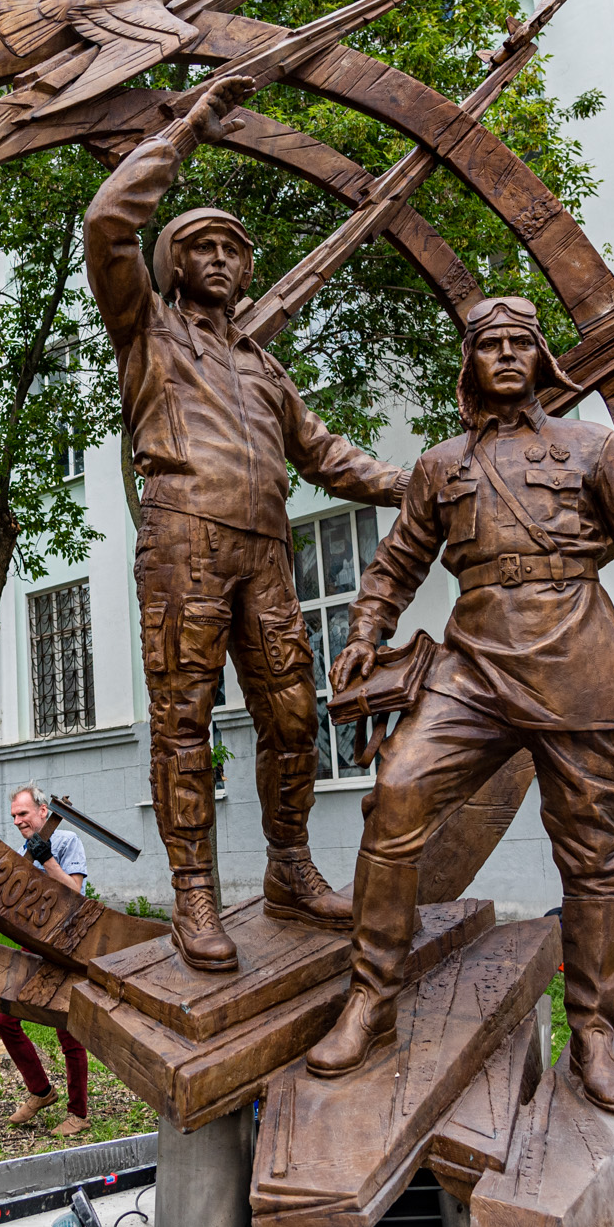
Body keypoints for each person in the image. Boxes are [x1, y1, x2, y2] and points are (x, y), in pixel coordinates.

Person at [305, 296, 614, 1112]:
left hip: (579, 658)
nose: (509, 356)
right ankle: (370, 997)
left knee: (593, 850)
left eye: (523, 343)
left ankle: (595, 1031)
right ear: (471, 365)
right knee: (397, 792)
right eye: (493, 346)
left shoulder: (594, 445)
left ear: (541, 361)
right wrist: (366, 629)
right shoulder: (442, 464)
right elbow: (397, 562)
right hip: (474, 662)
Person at [82, 73, 409, 973]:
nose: (222, 258)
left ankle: (290, 869)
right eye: (203, 244)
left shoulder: (264, 367)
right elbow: (109, 224)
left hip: (265, 553)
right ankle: (194, 894)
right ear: (174, 264)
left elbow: (326, 455)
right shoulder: (144, 327)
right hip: (184, 538)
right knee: (184, 720)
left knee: (294, 716)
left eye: (234, 248)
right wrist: (190, 127)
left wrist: (420, 482)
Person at [0, 787, 93, 1137]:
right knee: (4, 1020)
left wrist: (47, 859)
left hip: (65, 948)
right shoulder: (22, 849)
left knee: (68, 1030)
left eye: (23, 814)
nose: (18, 821)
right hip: (32, 947)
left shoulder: (66, 841)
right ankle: (40, 1091)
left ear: (43, 811)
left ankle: (78, 1114)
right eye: (14, 817)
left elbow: (75, 894)